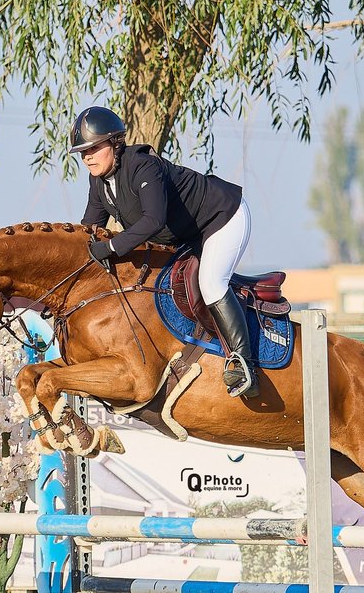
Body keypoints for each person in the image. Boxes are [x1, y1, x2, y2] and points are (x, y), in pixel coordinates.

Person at [70, 106, 258, 398]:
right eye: (83, 152)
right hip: (187, 233)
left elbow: (153, 220)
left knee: (211, 283)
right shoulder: (98, 182)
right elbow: (90, 228)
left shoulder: (143, 165)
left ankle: (243, 363)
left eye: (94, 148)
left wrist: (110, 248)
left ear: (115, 142)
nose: (87, 157)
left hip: (223, 217)